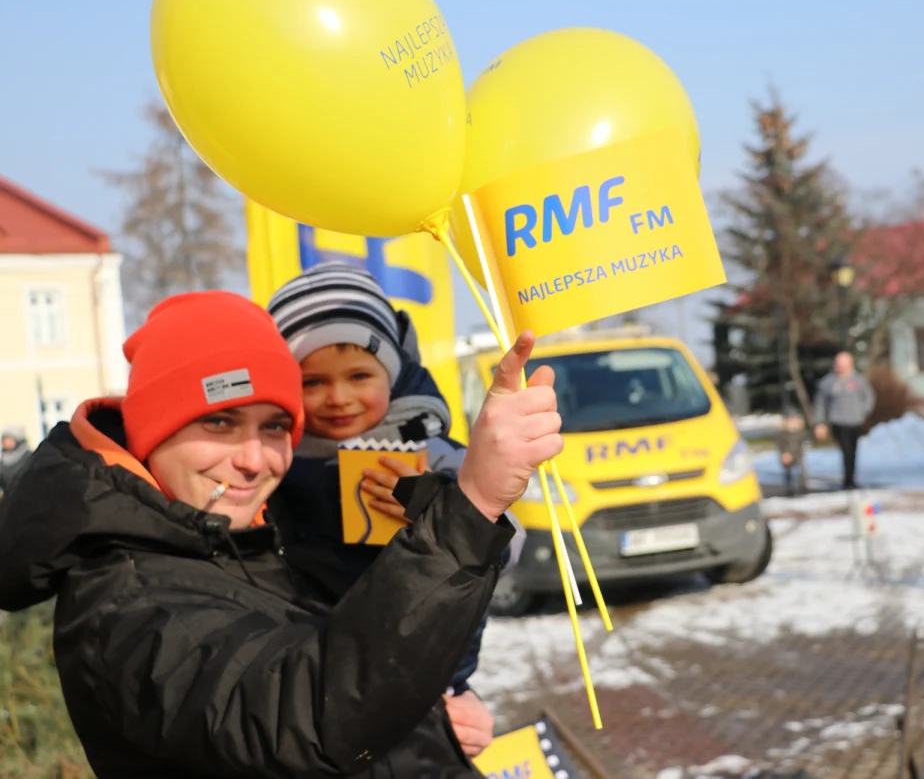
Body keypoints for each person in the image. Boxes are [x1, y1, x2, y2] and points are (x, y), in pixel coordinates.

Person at [0, 290, 562, 778]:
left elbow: (349, 655)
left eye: (274, 426)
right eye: (219, 422)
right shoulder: (126, 603)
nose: (253, 459)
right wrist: (473, 503)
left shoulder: (247, 539)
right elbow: (309, 716)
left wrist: (431, 719)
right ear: (152, 431)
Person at [265, 262, 509, 756]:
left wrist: (430, 507)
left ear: (391, 374)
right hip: (319, 673)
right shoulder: (272, 460)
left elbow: (497, 544)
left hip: (432, 667)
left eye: (359, 375)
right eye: (312, 382)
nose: (338, 398)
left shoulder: (431, 451)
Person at [813, 351, 875, 490]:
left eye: (843, 364)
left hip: (855, 421)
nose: (840, 366)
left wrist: (863, 412)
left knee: (852, 451)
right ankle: (848, 481)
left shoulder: (858, 381)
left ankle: (851, 479)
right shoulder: (828, 383)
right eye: (838, 363)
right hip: (838, 421)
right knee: (846, 450)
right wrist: (820, 423)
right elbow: (820, 403)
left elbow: (869, 397)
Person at [776, 409, 808, 496]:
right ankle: (789, 487)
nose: (792, 423)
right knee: (788, 472)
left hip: (798, 455)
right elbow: (780, 446)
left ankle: (803, 485)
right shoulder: (783, 434)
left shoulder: (802, 433)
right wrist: (785, 454)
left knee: (802, 470)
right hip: (786, 456)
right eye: (790, 421)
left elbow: (804, 445)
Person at [0, 425, 32, 496]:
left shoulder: (29, 457)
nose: (5, 442)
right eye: (4, 439)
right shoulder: (3, 459)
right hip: (10, 500)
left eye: (8, 439)